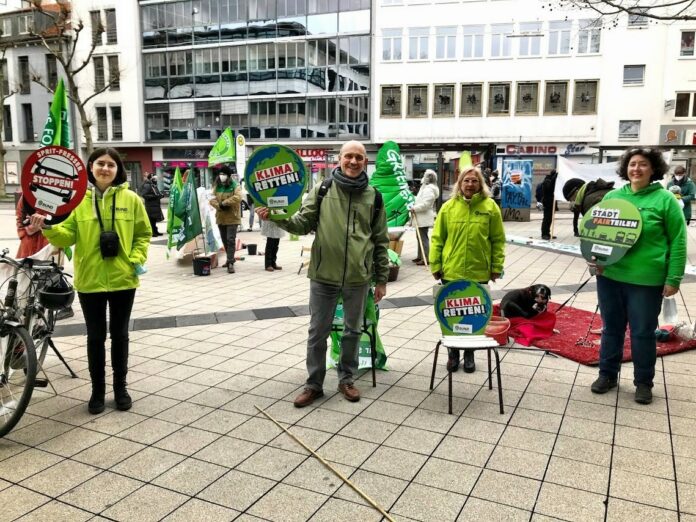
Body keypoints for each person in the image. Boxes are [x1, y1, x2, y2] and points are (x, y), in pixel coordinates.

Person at [256, 140, 389, 407]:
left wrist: (382, 279)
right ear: (339, 159)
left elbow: (380, 240)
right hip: (323, 276)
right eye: (348, 156)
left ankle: (346, 379)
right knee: (317, 332)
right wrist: (276, 216)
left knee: (353, 331)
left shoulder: (373, 196)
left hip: (358, 277)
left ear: (365, 162)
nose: (353, 161)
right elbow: (302, 223)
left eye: (359, 157)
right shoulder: (322, 189)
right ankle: (314, 384)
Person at [30, 147, 151, 414]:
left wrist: (135, 257)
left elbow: (144, 233)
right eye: (100, 164)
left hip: (124, 278)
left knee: (120, 336)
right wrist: (47, 227)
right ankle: (97, 391)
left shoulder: (131, 199)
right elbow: (67, 236)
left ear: (118, 169)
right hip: (90, 280)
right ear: (91, 167)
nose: (105, 169)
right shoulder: (78, 201)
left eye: (111, 164)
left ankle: (121, 388)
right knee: (95, 337)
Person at [588, 148, 686, 405]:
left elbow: (678, 241)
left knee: (643, 333)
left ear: (653, 169)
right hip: (610, 276)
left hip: (646, 280)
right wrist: (595, 260)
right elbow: (597, 233)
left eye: (643, 165)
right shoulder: (613, 196)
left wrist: (673, 278)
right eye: (632, 164)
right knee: (612, 329)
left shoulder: (665, 200)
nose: (637, 169)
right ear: (625, 168)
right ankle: (607, 374)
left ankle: (643, 382)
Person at [430, 166, 506, 373]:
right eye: (466, 181)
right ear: (460, 183)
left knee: (474, 315)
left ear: (480, 184)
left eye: (474, 181)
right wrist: (435, 264)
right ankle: (453, 354)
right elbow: (437, 238)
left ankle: (469, 355)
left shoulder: (490, 207)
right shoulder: (448, 207)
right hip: (451, 272)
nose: (470, 184)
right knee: (452, 314)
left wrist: (496, 267)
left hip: (479, 271)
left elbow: (498, 240)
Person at [208, 166, 242, 273]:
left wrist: (225, 203)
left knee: (230, 240)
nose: (221, 176)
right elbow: (211, 198)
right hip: (221, 217)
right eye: (220, 174)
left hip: (232, 217)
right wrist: (219, 206)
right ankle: (229, 259)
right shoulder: (216, 185)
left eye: (224, 174)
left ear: (228, 175)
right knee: (224, 240)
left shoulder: (235, 185)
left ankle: (230, 263)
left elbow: (238, 197)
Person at [409, 169, 439, 266]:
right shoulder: (425, 187)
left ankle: (425, 258)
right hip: (421, 217)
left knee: (423, 238)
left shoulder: (429, 189)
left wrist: (414, 208)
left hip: (424, 217)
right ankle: (420, 256)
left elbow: (426, 204)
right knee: (419, 237)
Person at [139, 172, 164, 237]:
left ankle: (155, 231)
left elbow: (156, 193)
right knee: (151, 220)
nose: (156, 180)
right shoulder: (147, 185)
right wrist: (155, 196)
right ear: (151, 178)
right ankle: (152, 232)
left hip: (155, 205)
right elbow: (144, 195)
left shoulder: (153, 185)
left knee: (154, 220)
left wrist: (160, 195)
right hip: (151, 206)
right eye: (155, 179)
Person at [540, 169, 557, 240]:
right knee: (546, 219)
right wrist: (555, 177)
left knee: (549, 219)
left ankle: (548, 233)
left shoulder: (551, 181)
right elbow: (549, 188)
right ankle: (544, 234)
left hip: (551, 203)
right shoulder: (547, 181)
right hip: (547, 203)